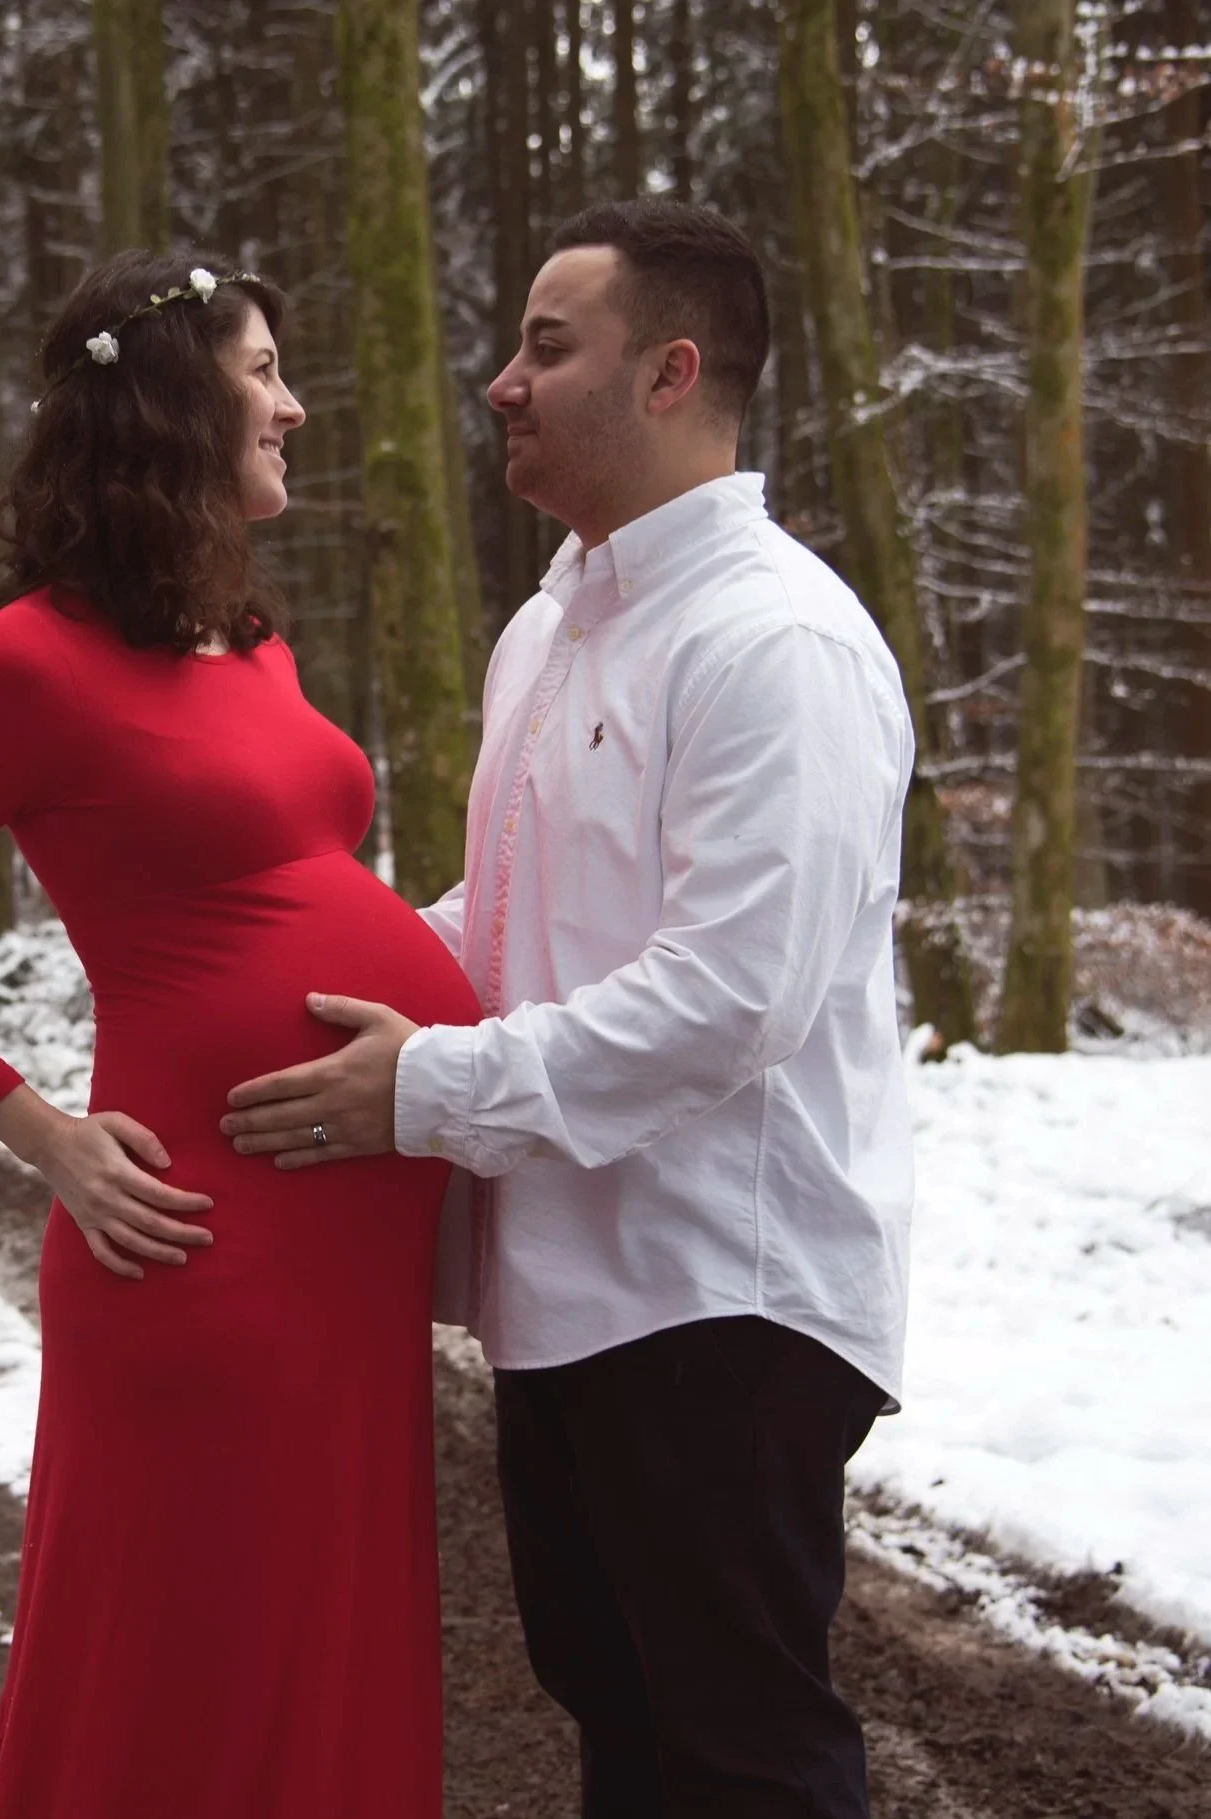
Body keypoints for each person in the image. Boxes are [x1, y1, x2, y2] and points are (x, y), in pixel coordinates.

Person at [220, 198, 912, 1819]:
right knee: (618, 1714)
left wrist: (430, 1090)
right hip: (568, 1285)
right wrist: (302, 975)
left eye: (547, 345)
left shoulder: (778, 639)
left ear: (671, 373)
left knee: (743, 1745)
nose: (500, 383)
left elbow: (732, 993)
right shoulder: (548, 626)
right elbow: (511, 921)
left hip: (722, 1289)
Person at [0, 252, 480, 1817]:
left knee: (328, 1638)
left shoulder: (255, 644)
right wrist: (44, 1137)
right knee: (192, 1662)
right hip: (199, 1244)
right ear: (173, 403)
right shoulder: (24, 661)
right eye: (261, 374)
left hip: (351, 1256)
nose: (294, 406)